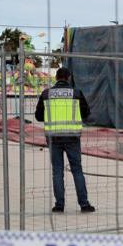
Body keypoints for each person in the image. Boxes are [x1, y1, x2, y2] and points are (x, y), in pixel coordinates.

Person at [35, 67, 95, 213]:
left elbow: (38, 116)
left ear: (56, 78)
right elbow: (86, 113)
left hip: (53, 137)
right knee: (77, 170)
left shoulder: (46, 94)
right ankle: (84, 204)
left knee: (57, 171)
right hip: (72, 137)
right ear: (68, 78)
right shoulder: (76, 93)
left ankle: (59, 205)